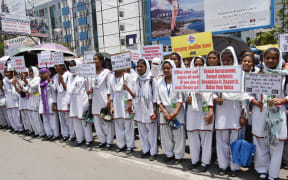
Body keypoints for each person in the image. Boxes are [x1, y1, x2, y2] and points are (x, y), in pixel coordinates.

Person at [250, 48, 288, 180]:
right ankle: (262, 169)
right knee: (260, 143)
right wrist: (254, 101)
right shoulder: (256, 74)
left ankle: (273, 174)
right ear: (263, 59)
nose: (271, 60)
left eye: (274, 58)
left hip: (278, 115)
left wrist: (283, 100)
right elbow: (247, 93)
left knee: (276, 145)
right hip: (260, 113)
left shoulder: (284, 76)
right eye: (268, 58)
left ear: (279, 60)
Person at [214, 47, 251, 177]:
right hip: (221, 113)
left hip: (235, 113)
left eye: (228, 60)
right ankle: (223, 166)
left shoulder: (240, 75)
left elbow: (245, 97)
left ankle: (234, 167)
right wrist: (216, 98)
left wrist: (243, 115)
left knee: (234, 143)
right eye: (223, 60)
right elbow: (212, 90)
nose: (225, 63)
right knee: (222, 143)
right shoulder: (217, 74)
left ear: (233, 60)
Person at [124, 59, 158, 161]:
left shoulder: (152, 80)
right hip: (139, 109)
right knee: (142, 132)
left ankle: (153, 152)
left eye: (141, 67)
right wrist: (128, 89)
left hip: (149, 109)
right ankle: (145, 149)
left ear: (146, 67)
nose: (139, 69)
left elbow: (155, 97)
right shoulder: (136, 80)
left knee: (151, 133)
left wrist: (155, 112)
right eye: (137, 67)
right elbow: (135, 95)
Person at [186, 56, 214, 172]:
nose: (198, 67)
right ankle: (194, 160)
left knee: (206, 138)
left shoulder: (209, 78)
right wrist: (186, 99)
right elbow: (182, 94)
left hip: (205, 110)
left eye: (200, 64)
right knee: (193, 137)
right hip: (192, 111)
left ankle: (205, 162)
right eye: (196, 64)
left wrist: (211, 112)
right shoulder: (186, 79)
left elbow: (212, 95)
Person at [157, 59, 185, 164]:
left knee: (178, 134)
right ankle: (169, 153)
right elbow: (158, 99)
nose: (166, 70)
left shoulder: (178, 80)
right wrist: (164, 111)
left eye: (168, 68)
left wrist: (175, 113)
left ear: (173, 68)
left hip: (177, 110)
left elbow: (181, 97)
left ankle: (178, 156)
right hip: (164, 111)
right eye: (164, 68)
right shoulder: (159, 82)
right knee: (165, 134)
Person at [87, 53, 114, 150]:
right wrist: (90, 91)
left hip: (104, 100)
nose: (94, 61)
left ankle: (109, 142)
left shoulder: (106, 72)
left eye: (96, 59)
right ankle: (102, 141)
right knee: (97, 124)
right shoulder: (91, 73)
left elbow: (110, 87)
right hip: (95, 101)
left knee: (106, 122)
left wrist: (109, 101)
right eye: (93, 59)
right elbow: (92, 86)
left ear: (101, 61)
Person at [109, 68, 134, 154]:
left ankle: (130, 145)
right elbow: (111, 94)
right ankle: (121, 145)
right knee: (118, 125)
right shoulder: (111, 78)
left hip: (125, 101)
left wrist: (130, 104)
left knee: (128, 125)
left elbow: (130, 91)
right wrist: (111, 107)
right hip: (116, 102)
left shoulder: (127, 76)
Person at [68, 60, 93, 147]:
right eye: (70, 66)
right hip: (73, 101)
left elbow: (88, 88)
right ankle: (80, 139)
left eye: (73, 65)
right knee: (75, 121)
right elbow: (69, 90)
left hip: (82, 100)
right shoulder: (70, 77)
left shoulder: (84, 76)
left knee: (84, 121)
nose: (71, 67)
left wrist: (89, 97)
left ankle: (88, 139)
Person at [54, 62, 73, 141]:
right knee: (62, 119)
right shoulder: (55, 76)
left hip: (66, 98)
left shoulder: (68, 75)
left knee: (68, 119)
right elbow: (55, 88)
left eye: (57, 65)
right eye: (55, 66)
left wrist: (62, 82)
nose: (55, 67)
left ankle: (71, 135)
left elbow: (68, 89)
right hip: (59, 99)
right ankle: (65, 134)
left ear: (62, 66)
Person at [39, 68, 59, 141]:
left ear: (47, 73)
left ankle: (55, 134)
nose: (41, 75)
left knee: (52, 119)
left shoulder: (52, 81)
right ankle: (49, 134)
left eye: (43, 73)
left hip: (50, 102)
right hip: (43, 103)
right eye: (40, 74)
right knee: (45, 120)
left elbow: (54, 91)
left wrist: (54, 103)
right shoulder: (40, 82)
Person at [25, 66, 45, 138]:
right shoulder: (30, 79)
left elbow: (33, 88)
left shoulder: (38, 79)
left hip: (35, 100)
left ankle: (41, 132)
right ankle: (36, 131)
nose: (30, 73)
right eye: (29, 72)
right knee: (31, 117)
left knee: (36, 118)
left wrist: (27, 83)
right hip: (30, 100)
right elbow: (26, 90)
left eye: (31, 71)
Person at [4, 62, 23, 133]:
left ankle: (20, 128)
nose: (7, 73)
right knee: (11, 116)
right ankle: (15, 128)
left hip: (15, 100)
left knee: (16, 116)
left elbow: (18, 89)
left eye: (8, 72)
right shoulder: (5, 80)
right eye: (6, 72)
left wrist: (14, 84)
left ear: (11, 72)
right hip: (8, 100)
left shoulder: (15, 79)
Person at [13, 70, 33, 135]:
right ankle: (27, 129)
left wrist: (18, 84)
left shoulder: (29, 80)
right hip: (21, 99)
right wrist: (15, 85)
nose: (22, 74)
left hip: (27, 99)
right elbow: (18, 91)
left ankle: (31, 129)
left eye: (24, 73)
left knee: (28, 116)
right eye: (21, 73)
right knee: (24, 115)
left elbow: (26, 90)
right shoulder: (19, 81)